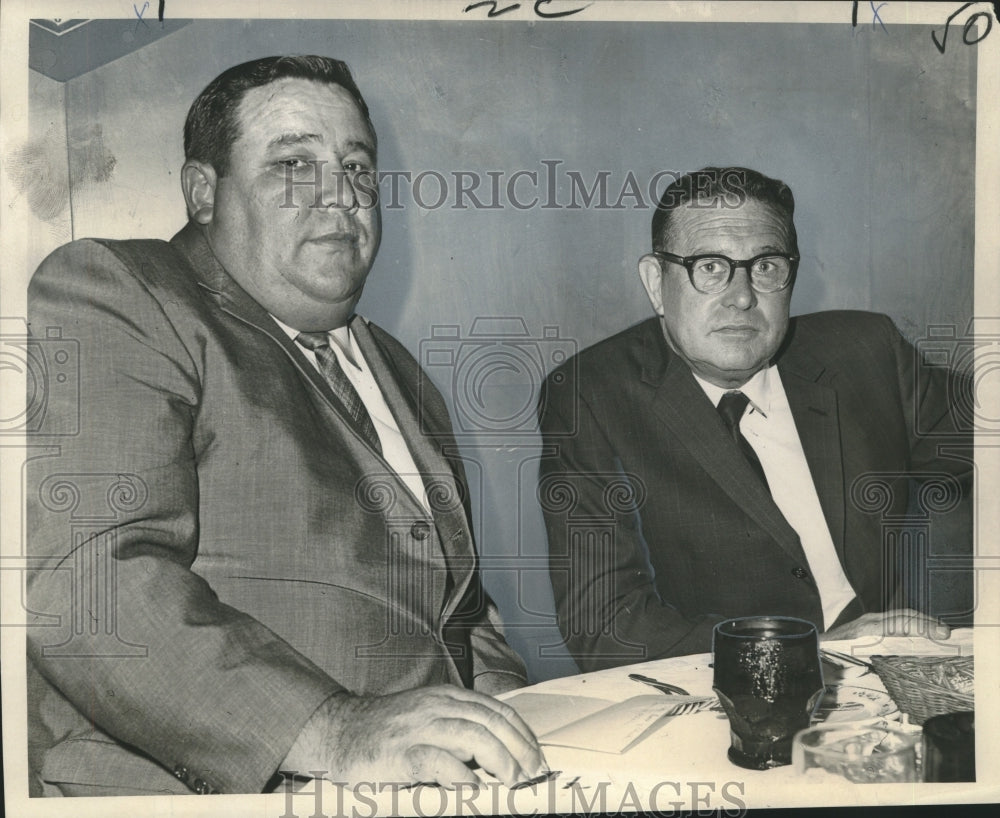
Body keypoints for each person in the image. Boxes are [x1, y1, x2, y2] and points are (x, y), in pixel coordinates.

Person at [25, 55, 545, 797]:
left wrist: (506, 710)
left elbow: (454, 607)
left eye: (358, 168)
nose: (341, 196)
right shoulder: (120, 292)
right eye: (295, 165)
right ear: (204, 192)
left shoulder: (396, 368)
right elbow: (90, 585)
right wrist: (334, 728)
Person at [538, 167, 973, 672]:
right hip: (734, 696)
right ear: (657, 283)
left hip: (906, 672)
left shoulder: (865, 351)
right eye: (710, 267)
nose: (742, 296)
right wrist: (813, 651)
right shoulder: (591, 395)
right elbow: (607, 627)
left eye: (765, 266)